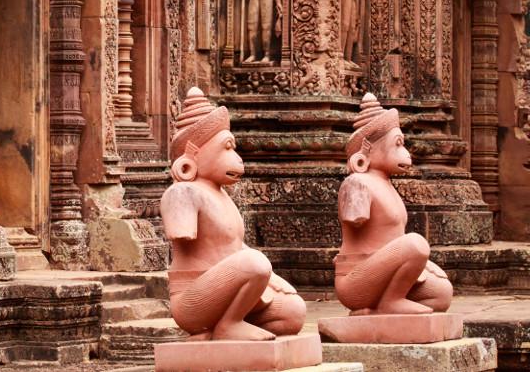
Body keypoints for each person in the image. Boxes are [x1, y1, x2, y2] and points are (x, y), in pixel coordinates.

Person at [161, 87, 306, 340]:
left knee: (294, 312)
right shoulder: (183, 191)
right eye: (227, 148)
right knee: (255, 262)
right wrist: (256, 268)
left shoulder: (221, 195)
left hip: (230, 292)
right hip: (194, 299)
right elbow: (181, 233)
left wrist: (272, 279)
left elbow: (234, 246)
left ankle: (220, 329)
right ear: (193, 155)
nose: (237, 158)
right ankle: (228, 325)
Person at [334, 93, 453, 315]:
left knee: (441, 294)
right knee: (415, 243)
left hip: (386, 275)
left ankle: (375, 311)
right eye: (397, 144)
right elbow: (354, 220)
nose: (406, 154)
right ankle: (390, 301)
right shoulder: (357, 182)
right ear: (368, 149)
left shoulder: (386, 185)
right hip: (357, 280)